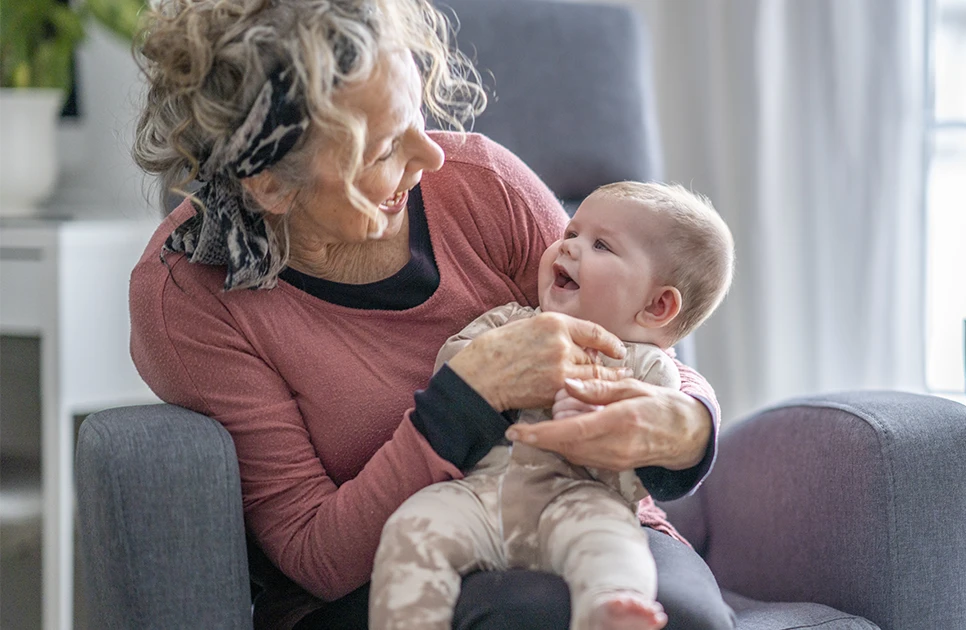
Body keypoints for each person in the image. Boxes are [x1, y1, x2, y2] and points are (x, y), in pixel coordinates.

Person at [126, 0, 736, 629]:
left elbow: (626, 335)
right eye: (386, 146)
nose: (434, 156)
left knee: (685, 618)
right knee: (529, 615)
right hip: (384, 578)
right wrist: (467, 395)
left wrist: (688, 421)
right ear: (272, 186)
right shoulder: (188, 296)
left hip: (585, 517)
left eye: (416, 111)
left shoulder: (483, 182)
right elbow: (314, 553)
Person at [369, 182, 735, 630]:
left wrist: (599, 422)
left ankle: (609, 608)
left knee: (612, 544)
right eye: (571, 232)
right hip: (480, 494)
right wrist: (495, 367)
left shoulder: (651, 371)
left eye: (600, 245)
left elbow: (644, 462)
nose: (569, 247)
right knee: (412, 529)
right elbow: (453, 366)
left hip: (580, 499)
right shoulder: (512, 321)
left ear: (657, 306)